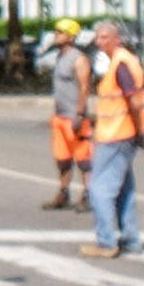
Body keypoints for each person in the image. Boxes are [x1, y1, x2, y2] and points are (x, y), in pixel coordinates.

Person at [81, 19, 144, 259]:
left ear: (117, 39)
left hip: (117, 134)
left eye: (104, 37)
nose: (99, 42)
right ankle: (131, 240)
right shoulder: (121, 61)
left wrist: (141, 131)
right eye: (98, 37)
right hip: (122, 133)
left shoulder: (121, 63)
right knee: (124, 189)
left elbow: (132, 99)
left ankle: (106, 242)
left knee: (99, 189)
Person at [43, 20, 93, 211]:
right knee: (62, 159)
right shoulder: (59, 57)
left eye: (61, 32)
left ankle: (88, 195)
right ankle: (63, 193)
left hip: (74, 117)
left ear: (71, 36)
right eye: (56, 32)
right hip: (60, 117)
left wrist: (79, 114)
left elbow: (84, 87)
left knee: (83, 159)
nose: (56, 35)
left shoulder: (78, 59)